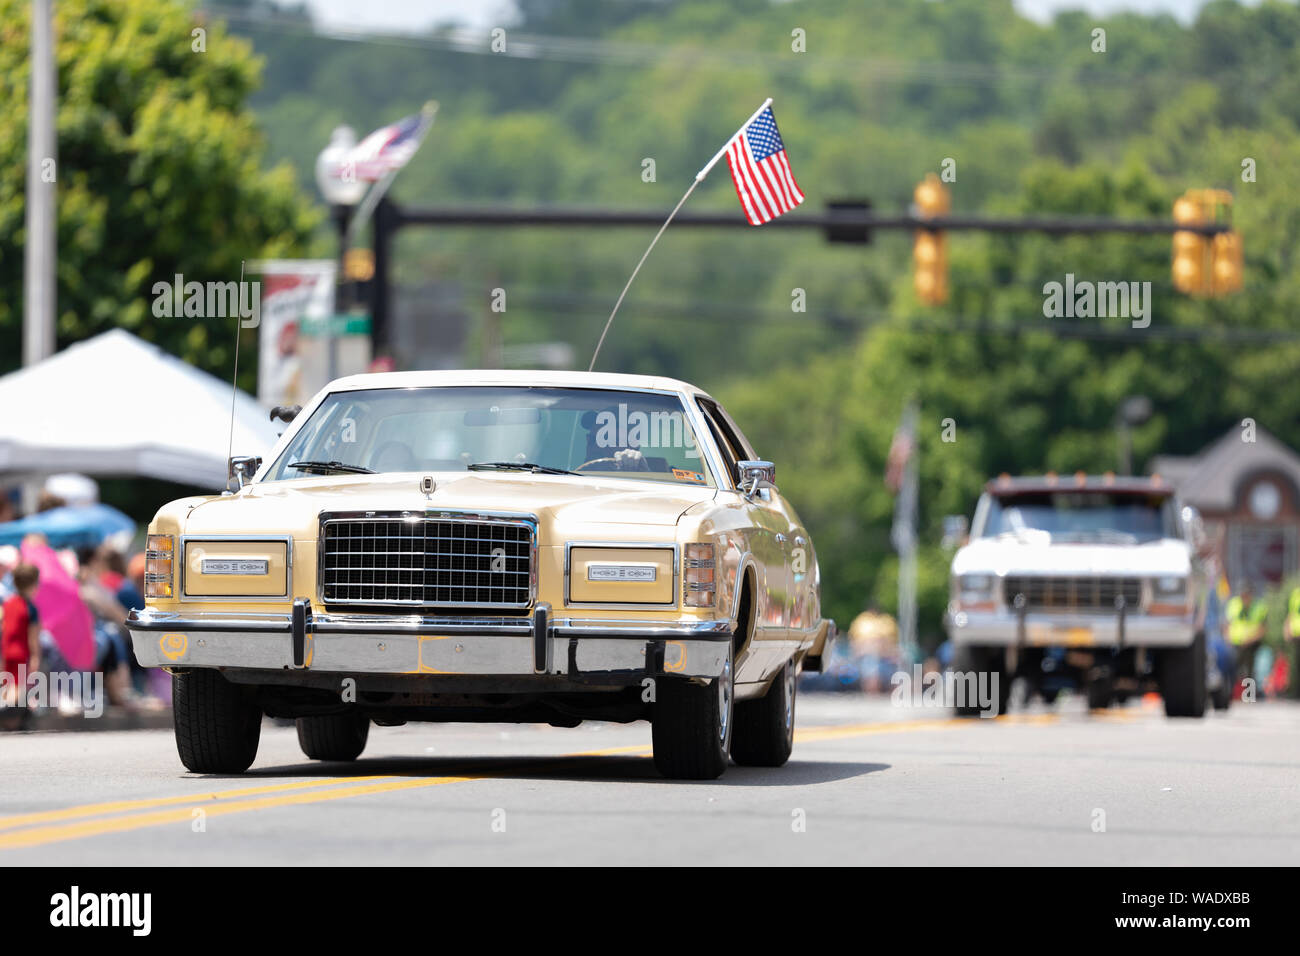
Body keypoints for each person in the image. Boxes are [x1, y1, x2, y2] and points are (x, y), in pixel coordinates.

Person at [1, 563, 41, 709]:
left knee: (7, 686)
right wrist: (36, 656)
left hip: (6, 651)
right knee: (16, 688)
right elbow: (33, 637)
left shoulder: (7, 603)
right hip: (21, 653)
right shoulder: (30, 608)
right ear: (33, 584)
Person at [1224, 583, 1268, 697]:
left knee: (1250, 669)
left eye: (1246, 595)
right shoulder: (1233, 604)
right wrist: (1227, 638)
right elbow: (1227, 625)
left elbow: (1263, 628)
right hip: (1235, 643)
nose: (1244, 597)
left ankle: (1250, 695)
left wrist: (1250, 640)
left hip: (1251, 644)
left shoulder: (1259, 607)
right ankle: (1230, 693)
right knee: (1233, 667)